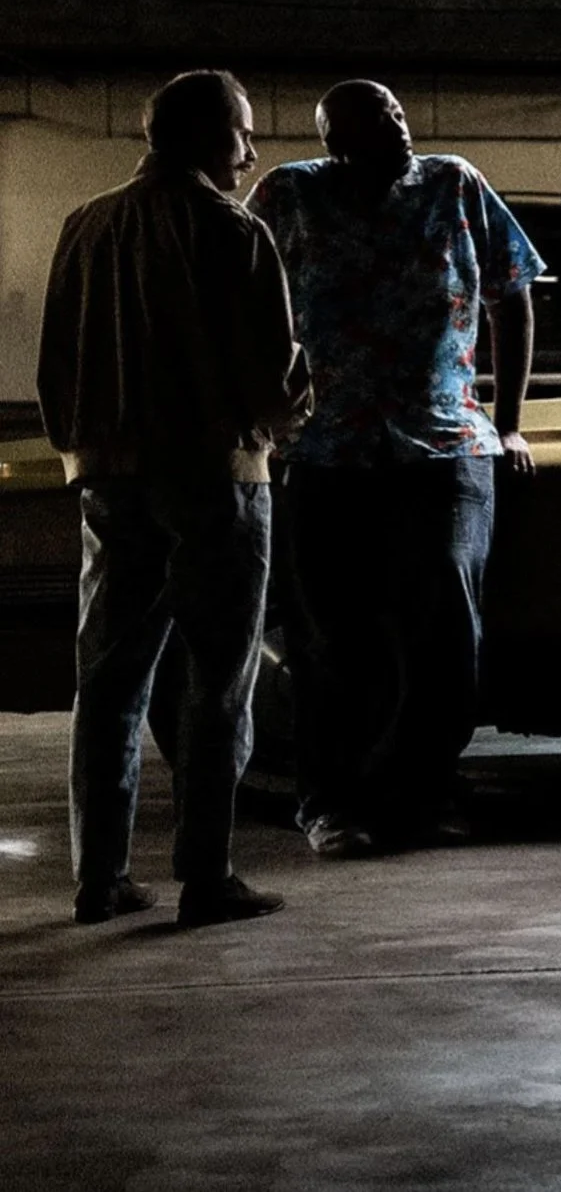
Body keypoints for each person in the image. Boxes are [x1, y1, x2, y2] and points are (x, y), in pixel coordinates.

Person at [38, 69, 310, 927]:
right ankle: (207, 873)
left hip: (109, 479)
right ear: (202, 135)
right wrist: (299, 403)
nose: (253, 151)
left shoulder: (85, 226)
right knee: (217, 681)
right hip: (216, 482)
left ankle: (100, 877)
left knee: (110, 680)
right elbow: (271, 384)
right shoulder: (233, 231)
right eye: (242, 133)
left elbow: (53, 371)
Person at [247, 80, 544, 858]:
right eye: (376, 122)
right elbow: (237, 302)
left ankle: (419, 789)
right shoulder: (289, 194)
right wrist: (261, 409)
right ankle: (332, 802)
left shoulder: (453, 182)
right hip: (326, 448)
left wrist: (509, 422)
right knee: (327, 635)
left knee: (446, 626)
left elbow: (513, 295)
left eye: (400, 114)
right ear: (334, 143)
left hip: (444, 442)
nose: (400, 128)